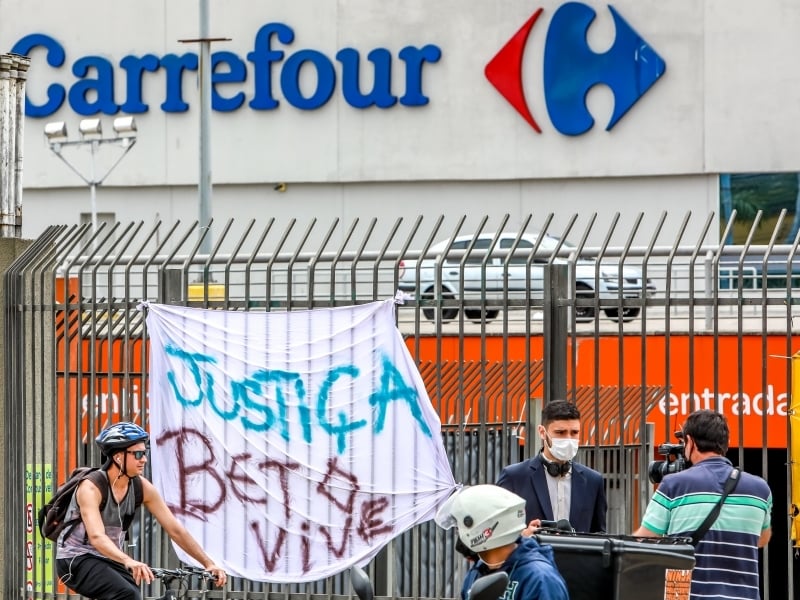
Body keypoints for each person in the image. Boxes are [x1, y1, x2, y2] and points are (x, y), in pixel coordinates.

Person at [56, 422, 227, 600]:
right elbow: (97, 537)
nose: (144, 459)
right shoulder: (91, 487)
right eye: (138, 454)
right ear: (118, 457)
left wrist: (208, 563)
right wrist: (128, 560)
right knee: (127, 594)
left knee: (134, 594)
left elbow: (175, 529)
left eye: (144, 453)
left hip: (109, 560)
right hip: (75, 560)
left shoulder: (141, 487)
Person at [633, 409, 772, 600]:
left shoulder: (674, 485)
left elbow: (644, 539)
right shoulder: (761, 489)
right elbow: (762, 539)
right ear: (727, 444)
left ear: (689, 442)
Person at [435, 484, 569, 600]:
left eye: (461, 528)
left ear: (485, 529)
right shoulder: (477, 572)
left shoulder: (540, 579)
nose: (460, 535)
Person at [496, 399, 607, 533]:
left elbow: (599, 534)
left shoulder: (593, 481)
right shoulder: (514, 477)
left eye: (574, 432)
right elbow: (496, 533)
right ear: (542, 432)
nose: (569, 439)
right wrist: (523, 537)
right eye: (560, 432)